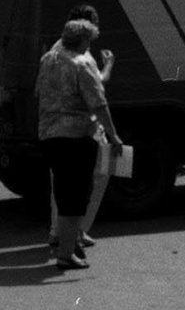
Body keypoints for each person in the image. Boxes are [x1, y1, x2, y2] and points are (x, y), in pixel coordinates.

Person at [36, 18, 123, 270]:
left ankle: (69, 244)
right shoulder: (82, 64)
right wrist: (114, 136)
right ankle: (66, 254)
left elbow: (38, 93)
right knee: (75, 197)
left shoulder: (48, 60)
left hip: (50, 135)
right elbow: (98, 103)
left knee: (64, 193)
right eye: (89, 40)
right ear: (84, 40)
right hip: (76, 137)